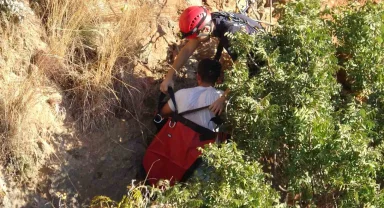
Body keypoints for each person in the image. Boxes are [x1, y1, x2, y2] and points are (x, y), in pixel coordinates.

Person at [160, 6, 265, 115]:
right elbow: (187, 49)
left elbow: (242, 71)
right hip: (251, 49)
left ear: (205, 29)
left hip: (264, 63)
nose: (195, 41)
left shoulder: (231, 35)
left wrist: (223, 99)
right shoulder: (212, 19)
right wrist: (169, 77)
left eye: (196, 38)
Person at [160, 58, 223, 131]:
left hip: (178, 138)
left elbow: (163, 112)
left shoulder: (181, 93)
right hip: (206, 141)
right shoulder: (221, 97)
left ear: (198, 77)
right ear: (218, 80)